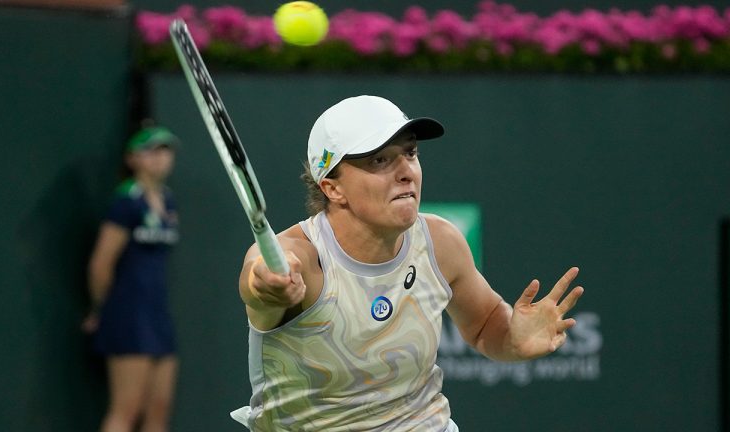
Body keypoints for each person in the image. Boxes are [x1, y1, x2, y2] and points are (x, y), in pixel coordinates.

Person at [234, 95, 584, 431]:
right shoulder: (300, 257)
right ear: (332, 188)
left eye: (410, 153)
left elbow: (485, 324)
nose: (406, 171)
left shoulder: (439, 241)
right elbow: (259, 277)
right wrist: (267, 284)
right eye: (380, 160)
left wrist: (511, 339)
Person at [82, 124, 181, 432]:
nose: (160, 158)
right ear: (132, 159)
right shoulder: (127, 201)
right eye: (151, 151)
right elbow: (101, 263)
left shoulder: (168, 200)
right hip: (127, 314)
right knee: (127, 408)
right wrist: (102, 309)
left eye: (165, 151)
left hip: (158, 314)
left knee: (159, 409)